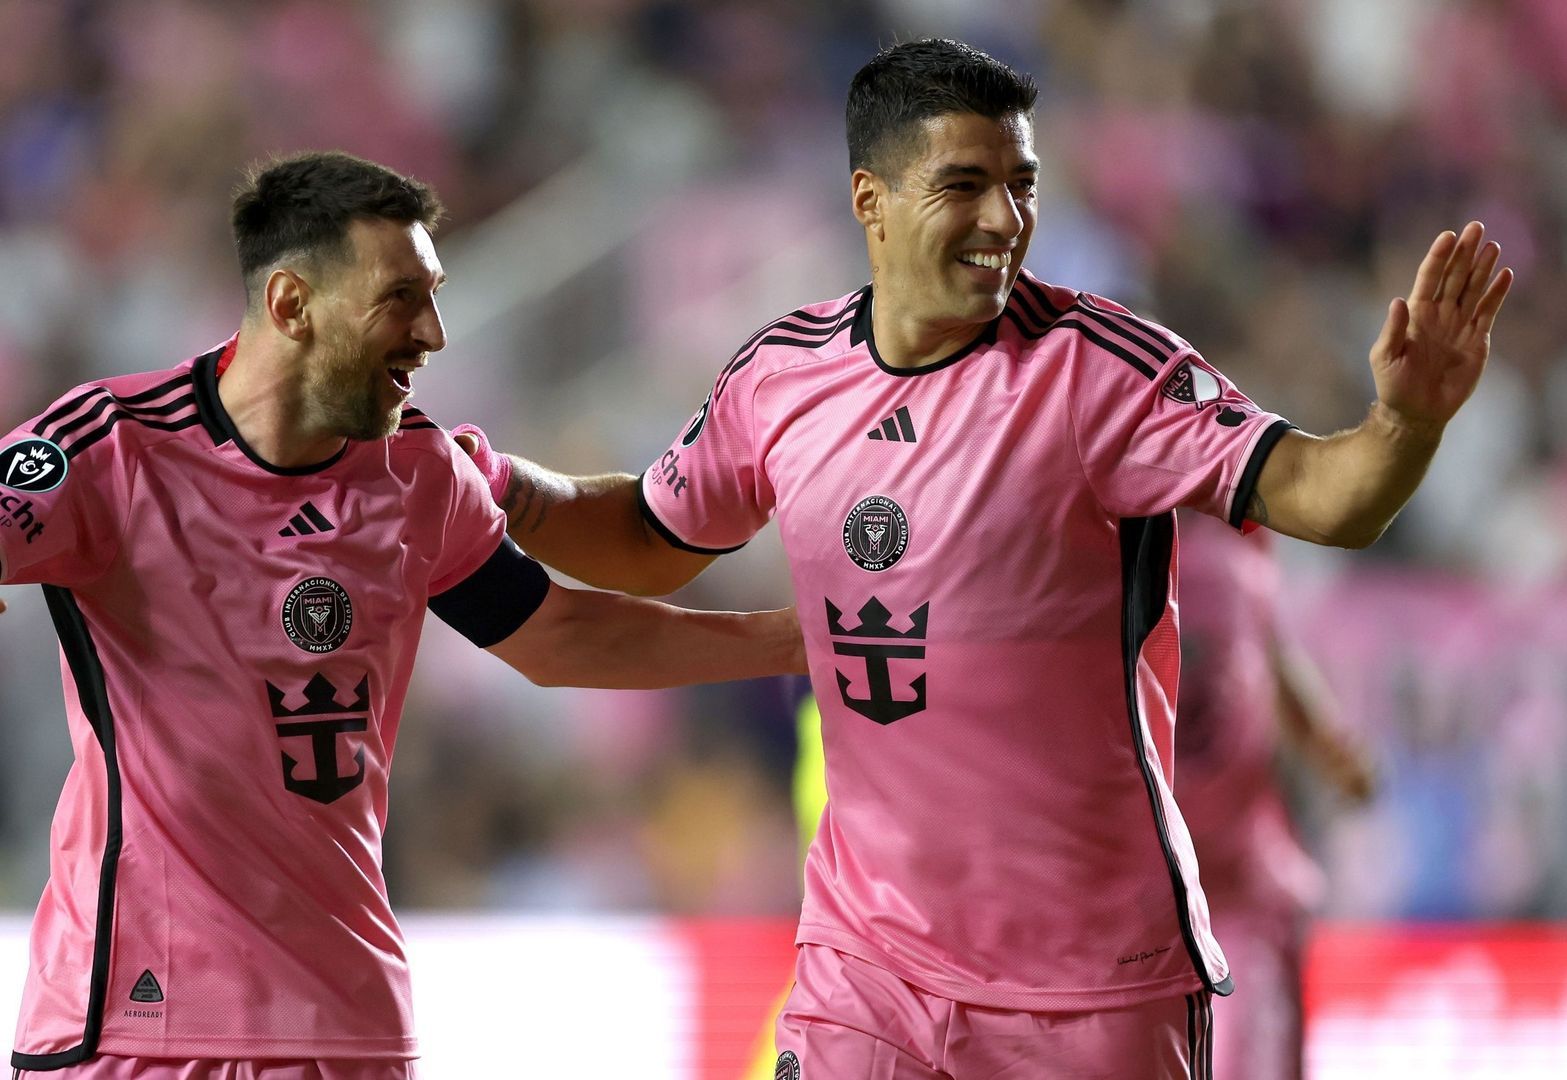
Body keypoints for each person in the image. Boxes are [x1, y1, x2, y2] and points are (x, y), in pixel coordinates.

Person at [451, 37, 1512, 1079]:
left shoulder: (1105, 372)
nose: (1006, 220)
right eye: (966, 184)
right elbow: (648, 537)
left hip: (1095, 987)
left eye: (1023, 182)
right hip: (869, 972)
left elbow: (1329, 497)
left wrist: (1404, 424)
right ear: (871, 201)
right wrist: (502, 487)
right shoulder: (782, 376)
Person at [0, 150, 805, 1079]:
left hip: (347, 1027)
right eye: (402, 298)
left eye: (433, 294)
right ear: (291, 305)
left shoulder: (419, 472)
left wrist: (802, 641)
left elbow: (560, 633)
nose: (433, 333)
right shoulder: (117, 445)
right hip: (140, 1026)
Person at [1173, 511, 1376, 1080]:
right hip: (1137, 884)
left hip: (1240, 876)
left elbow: (1268, 641)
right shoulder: (1094, 518)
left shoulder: (1237, 524)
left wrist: (1325, 736)